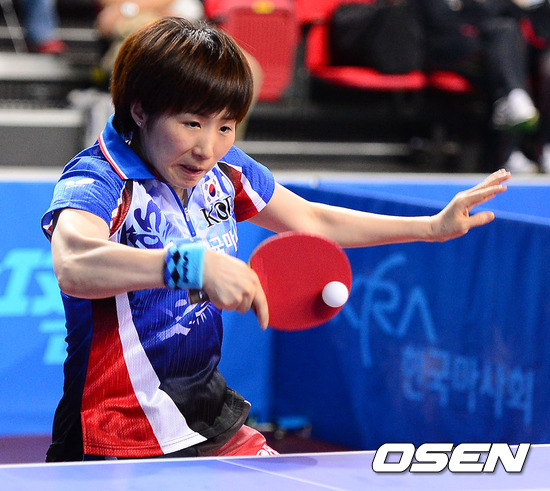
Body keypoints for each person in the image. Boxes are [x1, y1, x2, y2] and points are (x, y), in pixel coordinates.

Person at [41, 17, 511, 462]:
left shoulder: (226, 170)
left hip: (206, 414)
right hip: (116, 432)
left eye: (225, 126)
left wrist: (428, 227)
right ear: (141, 109)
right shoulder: (99, 178)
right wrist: (192, 265)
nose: (207, 148)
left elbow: (311, 220)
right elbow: (74, 263)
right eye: (192, 123)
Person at [93, 0, 263, 140]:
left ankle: (222, 150)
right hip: (141, 26)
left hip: (191, 26)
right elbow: (108, 18)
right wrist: (142, 7)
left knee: (247, 68)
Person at [418, 0, 541, 172]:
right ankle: (507, 151)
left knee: (507, 36)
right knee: (503, 51)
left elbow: (512, 12)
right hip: (446, 49)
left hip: (481, 50)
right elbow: (441, 21)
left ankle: (512, 99)